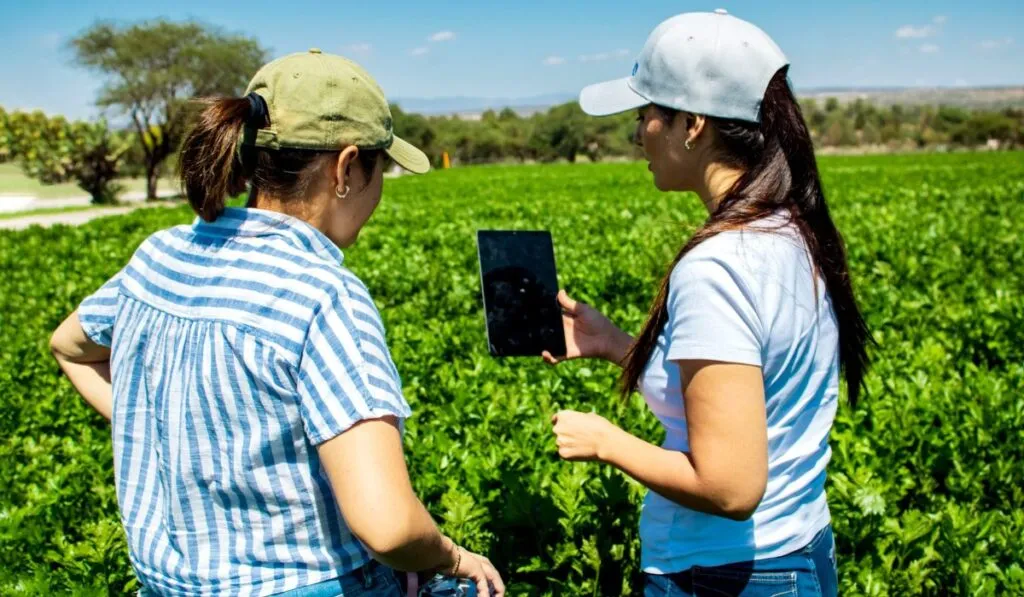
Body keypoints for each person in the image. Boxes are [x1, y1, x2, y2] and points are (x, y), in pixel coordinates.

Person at [49, 49, 504, 597]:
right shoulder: (322, 295)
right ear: (346, 167)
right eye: (379, 168)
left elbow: (71, 347)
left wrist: (164, 431)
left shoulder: (160, 255)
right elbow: (388, 527)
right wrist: (452, 555)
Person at [546, 11, 870, 597]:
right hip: (798, 550)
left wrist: (608, 442)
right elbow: (742, 397)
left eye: (646, 114)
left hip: (727, 577)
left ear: (691, 124)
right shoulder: (788, 229)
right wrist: (615, 344)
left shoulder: (718, 266)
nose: (638, 131)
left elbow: (731, 487)